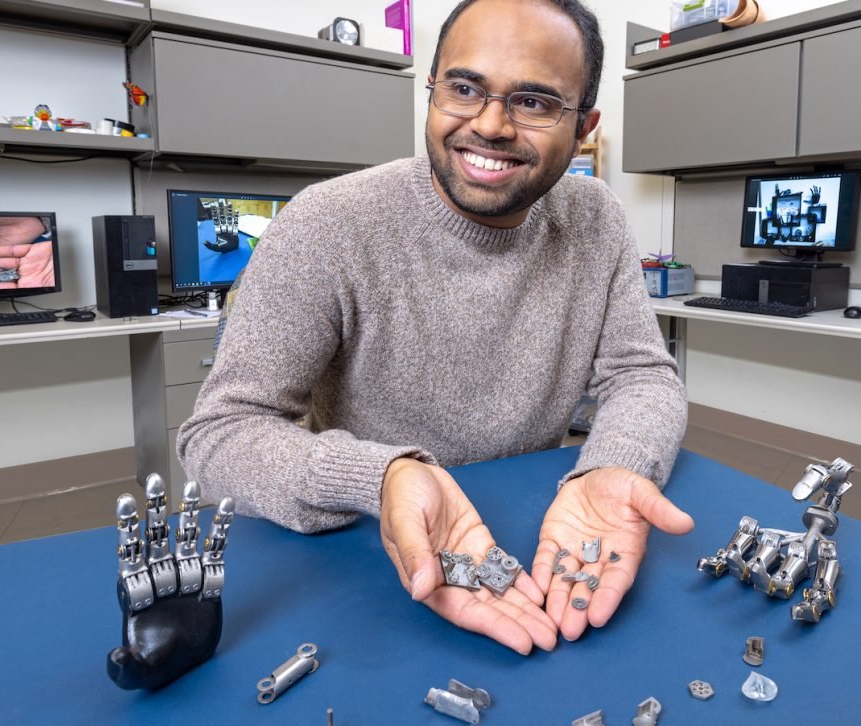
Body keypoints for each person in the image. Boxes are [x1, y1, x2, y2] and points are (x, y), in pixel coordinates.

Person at [177, 0, 691, 655]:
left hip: (538, 526)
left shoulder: (596, 219)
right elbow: (217, 437)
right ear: (433, 88)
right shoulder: (328, 224)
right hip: (361, 555)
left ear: (584, 126)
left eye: (533, 102)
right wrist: (379, 478)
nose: (491, 124)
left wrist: (612, 466)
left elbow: (641, 374)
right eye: (465, 88)